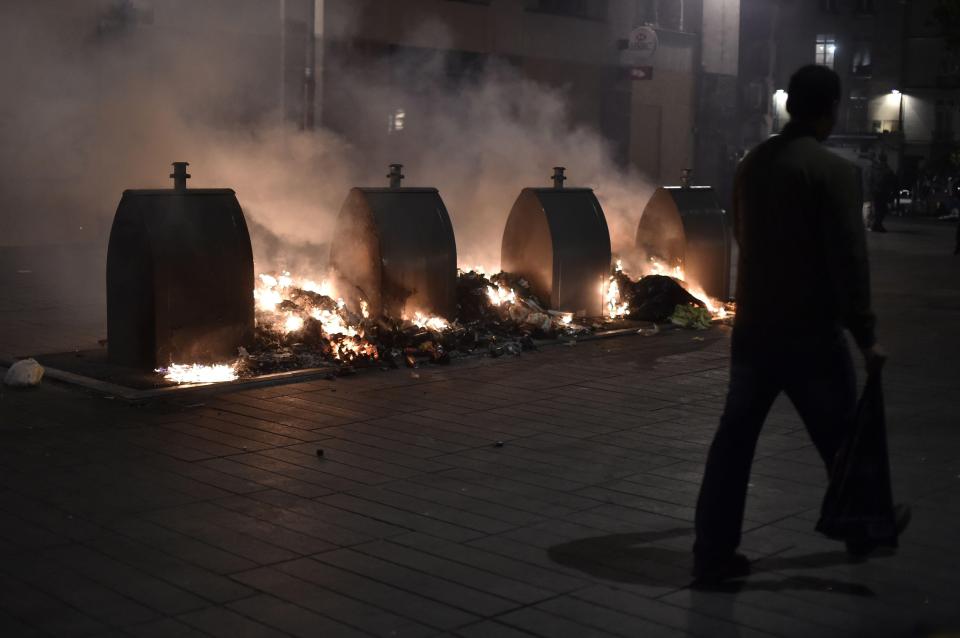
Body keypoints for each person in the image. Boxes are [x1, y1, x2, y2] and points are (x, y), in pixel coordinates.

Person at [691, 65, 901, 585]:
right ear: (830, 110)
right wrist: (865, 333)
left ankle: (713, 551)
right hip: (812, 337)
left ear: (790, 106)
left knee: (734, 442)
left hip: (757, 329)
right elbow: (849, 262)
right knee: (842, 439)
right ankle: (863, 529)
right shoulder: (833, 173)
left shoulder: (753, 165)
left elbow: (742, 233)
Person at [869, 153, 897, 232]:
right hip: (883, 192)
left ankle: (876, 225)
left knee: (878, 209)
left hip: (876, 191)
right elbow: (891, 180)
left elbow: (871, 180)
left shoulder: (875, 168)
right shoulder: (886, 168)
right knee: (882, 210)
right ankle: (878, 225)